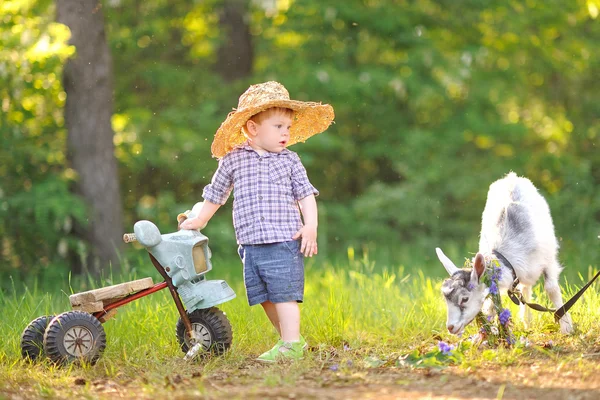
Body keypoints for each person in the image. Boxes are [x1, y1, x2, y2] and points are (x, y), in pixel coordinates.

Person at [180, 81, 334, 362]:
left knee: (284, 294)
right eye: (278, 127)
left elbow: (306, 195)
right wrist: (200, 219)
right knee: (264, 296)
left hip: (283, 240)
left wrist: (310, 225)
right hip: (250, 244)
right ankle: (292, 341)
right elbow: (216, 194)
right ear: (252, 128)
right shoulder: (233, 160)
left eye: (288, 127)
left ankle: (290, 346)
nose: (286, 133)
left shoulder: (290, 161)